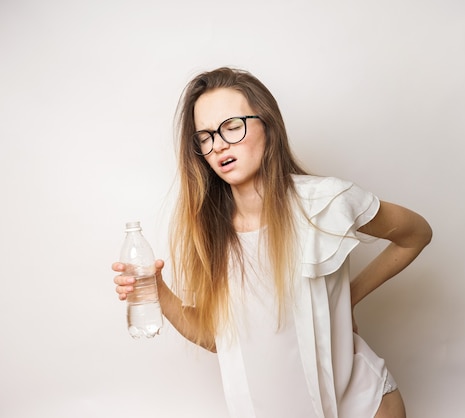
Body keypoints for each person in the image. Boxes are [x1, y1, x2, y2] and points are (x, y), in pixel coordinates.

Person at [112, 67, 432, 418]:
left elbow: (415, 235)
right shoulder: (213, 234)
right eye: (205, 137)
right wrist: (158, 291)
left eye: (232, 127)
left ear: (268, 124)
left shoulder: (326, 203)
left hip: (365, 407)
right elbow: (220, 340)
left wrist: (350, 297)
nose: (219, 145)